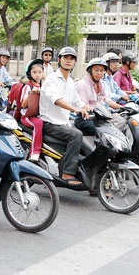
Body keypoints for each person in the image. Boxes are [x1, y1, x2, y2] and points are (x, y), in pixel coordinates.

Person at [39, 46, 89, 186]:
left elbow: (78, 101)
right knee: (76, 135)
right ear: (59, 59)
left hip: (64, 123)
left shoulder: (70, 82)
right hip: (50, 123)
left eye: (71, 58)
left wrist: (90, 108)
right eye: (65, 58)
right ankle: (67, 172)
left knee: (88, 143)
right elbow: (57, 99)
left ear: (74, 62)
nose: (68, 61)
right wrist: (75, 109)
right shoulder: (51, 80)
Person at [75, 58, 124, 135]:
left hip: (99, 117)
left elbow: (107, 99)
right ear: (89, 71)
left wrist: (122, 108)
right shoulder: (82, 85)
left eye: (101, 71)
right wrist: (99, 113)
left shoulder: (100, 84)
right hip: (86, 117)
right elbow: (83, 106)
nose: (99, 73)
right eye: (96, 70)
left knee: (121, 120)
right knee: (107, 130)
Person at [20, 59, 44, 162]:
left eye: (40, 72)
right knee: (38, 124)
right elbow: (23, 104)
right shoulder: (28, 87)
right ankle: (35, 152)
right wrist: (31, 94)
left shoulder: (43, 85)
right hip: (27, 116)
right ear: (29, 73)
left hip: (39, 114)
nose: (37, 75)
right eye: (34, 72)